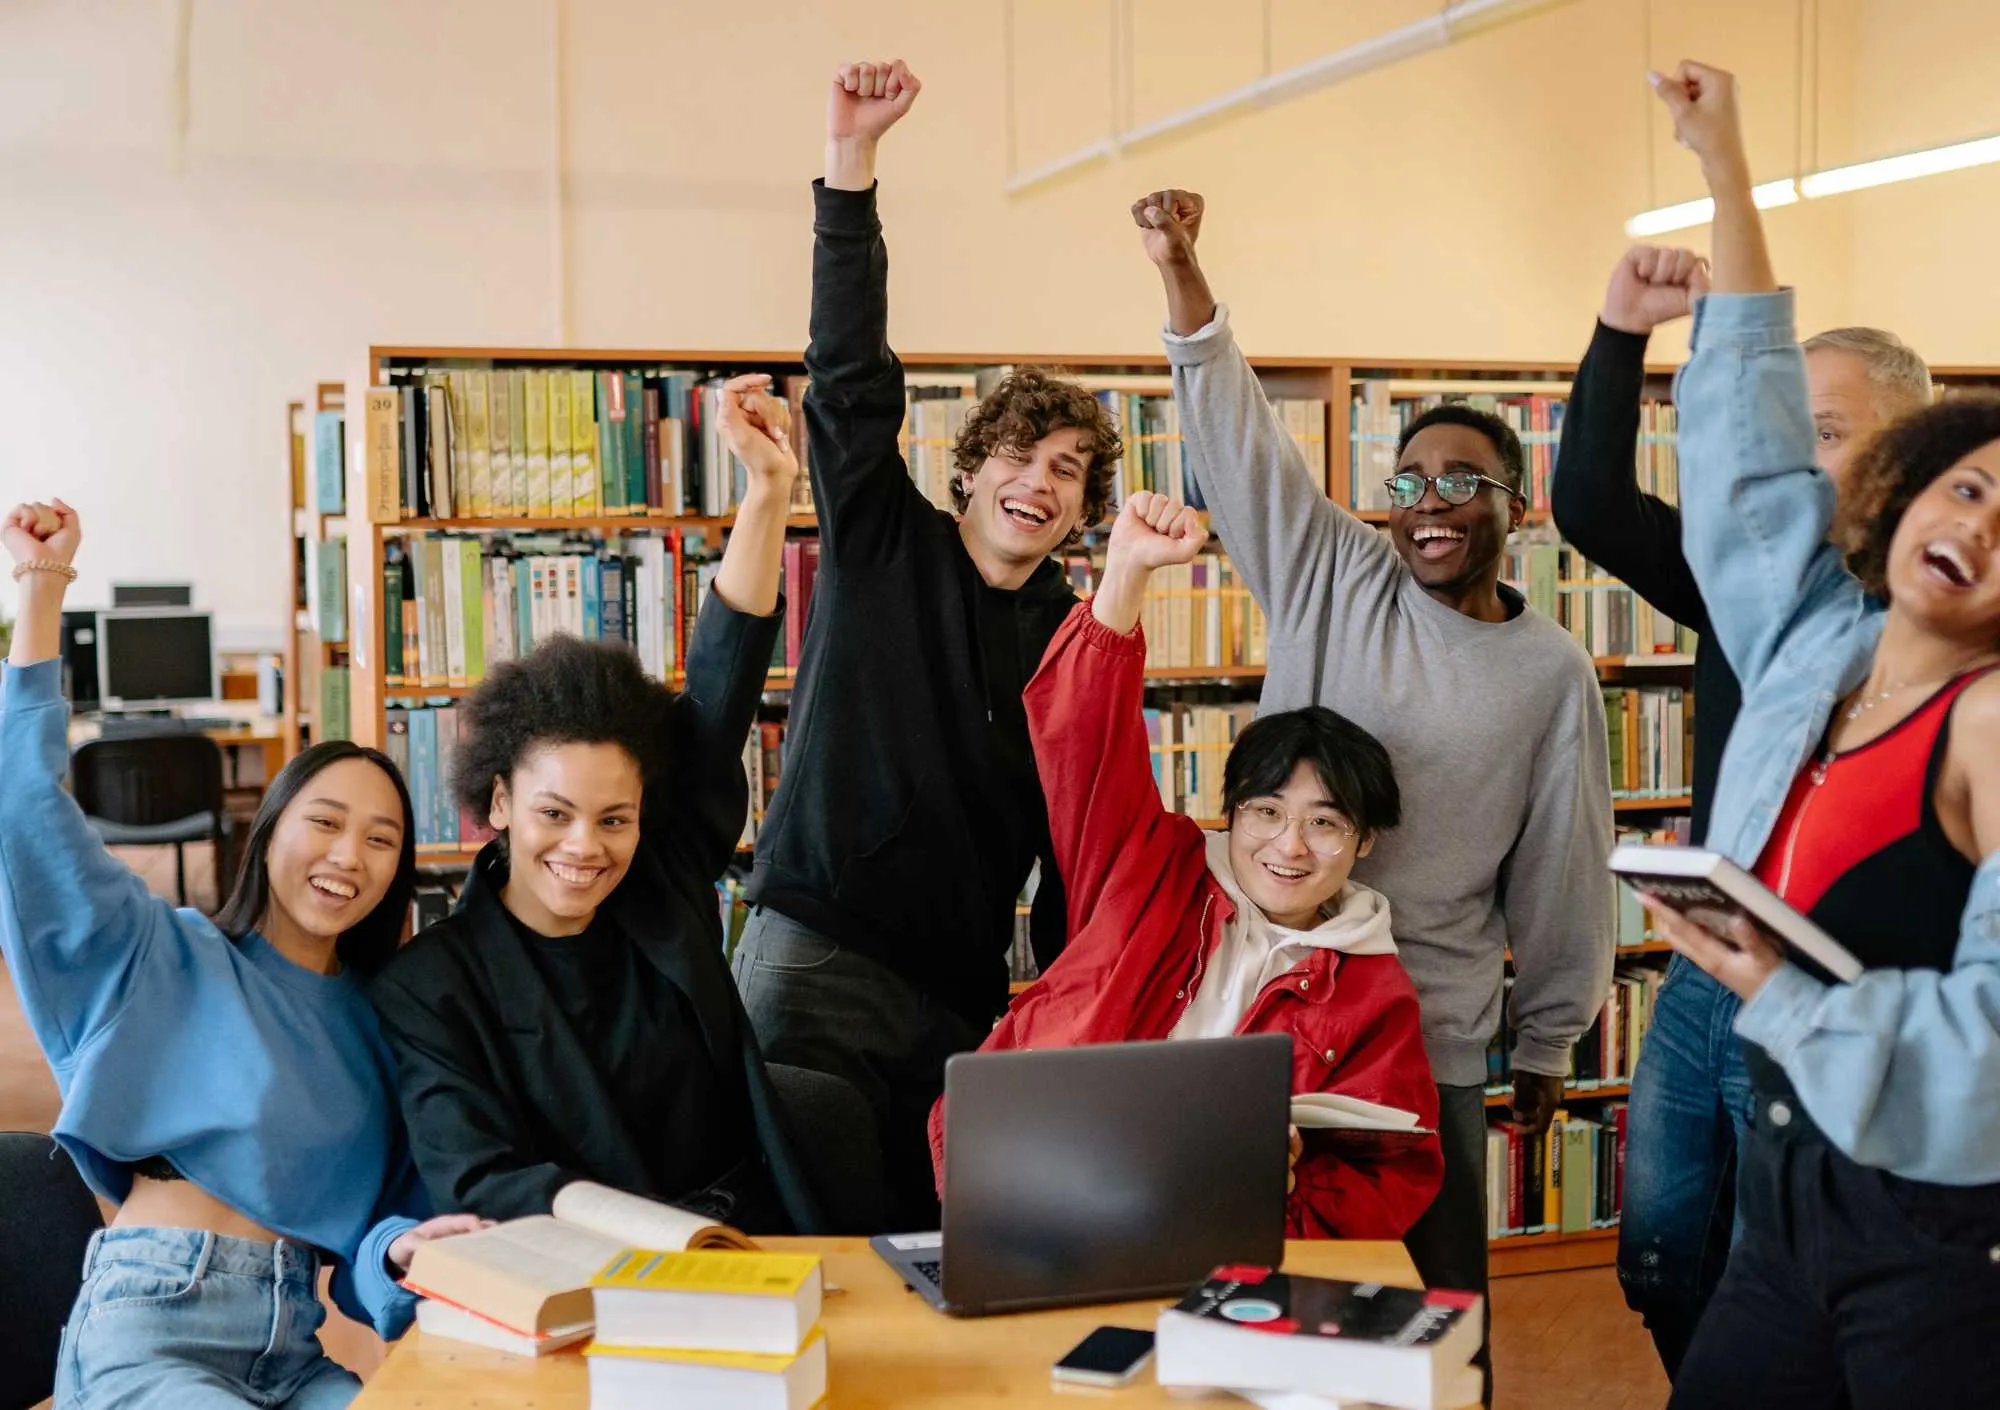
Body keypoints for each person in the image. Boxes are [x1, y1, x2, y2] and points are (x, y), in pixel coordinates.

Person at [1132, 186, 1615, 1392]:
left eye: (1460, 483)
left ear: (1519, 508)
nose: (1426, 505)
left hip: (1429, 1033)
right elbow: (1237, 438)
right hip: (1271, 1004)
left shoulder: (1549, 672)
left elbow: (1562, 858)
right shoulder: (1329, 571)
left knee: (1440, 1325)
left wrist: (1549, 1038)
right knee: (1245, 1301)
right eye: (1404, 482)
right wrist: (1183, 275)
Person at [1639, 60, 2000, 1408]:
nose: (1971, 525)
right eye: (1964, 486)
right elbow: (1745, 447)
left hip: (1940, 1233)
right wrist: (1727, 169)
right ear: (1905, 497)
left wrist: (1778, 994)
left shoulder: (1991, 721)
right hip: (1791, 1193)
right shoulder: (1813, 639)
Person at [731, 59, 1126, 1230]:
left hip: (962, 997)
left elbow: (1078, 836)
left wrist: (1059, 1004)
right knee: (792, 1245)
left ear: (1079, 510)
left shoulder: (1071, 635)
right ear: (969, 469)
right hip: (815, 961)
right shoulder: (882, 542)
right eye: (1018, 455)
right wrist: (850, 168)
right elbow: (848, 376)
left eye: (1066, 471)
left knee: (931, 1254)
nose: (1038, 482)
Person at [1, 498, 480, 1409]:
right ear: (267, 833)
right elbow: (23, 809)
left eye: (382, 841)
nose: (348, 857)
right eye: (326, 823)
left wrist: (401, 1251)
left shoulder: (388, 1026)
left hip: (296, 1351)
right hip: (150, 1325)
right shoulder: (157, 954)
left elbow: (380, 1242)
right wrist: (40, 586)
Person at [1550, 249, 1933, 1376]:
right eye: (1779, 432)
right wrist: (1621, 330)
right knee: (1662, 1253)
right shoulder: (1743, 580)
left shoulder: (1941, 611)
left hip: (1826, 982)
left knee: (1784, 1262)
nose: (1792, 460)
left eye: (1822, 430)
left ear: (1907, 451)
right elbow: (1589, 505)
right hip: (1699, 972)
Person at [368, 377, 823, 1237]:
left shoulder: (664, 885)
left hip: (759, 1236)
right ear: (497, 802)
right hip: (581, 1263)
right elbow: (475, 1172)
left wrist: (767, 492)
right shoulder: (429, 986)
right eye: (554, 813)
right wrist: (655, 1229)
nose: (586, 847)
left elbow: (722, 688)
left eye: (615, 818)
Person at [927, 490, 1444, 1238]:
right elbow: (1086, 738)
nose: (1289, 847)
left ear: (1365, 841)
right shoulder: (1148, 869)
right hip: (1043, 1188)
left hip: (1218, 1236)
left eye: (1324, 823)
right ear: (1231, 812)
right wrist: (1128, 569)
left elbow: (1390, 1172)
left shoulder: (1374, 986)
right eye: (1266, 813)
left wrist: (1281, 1203)